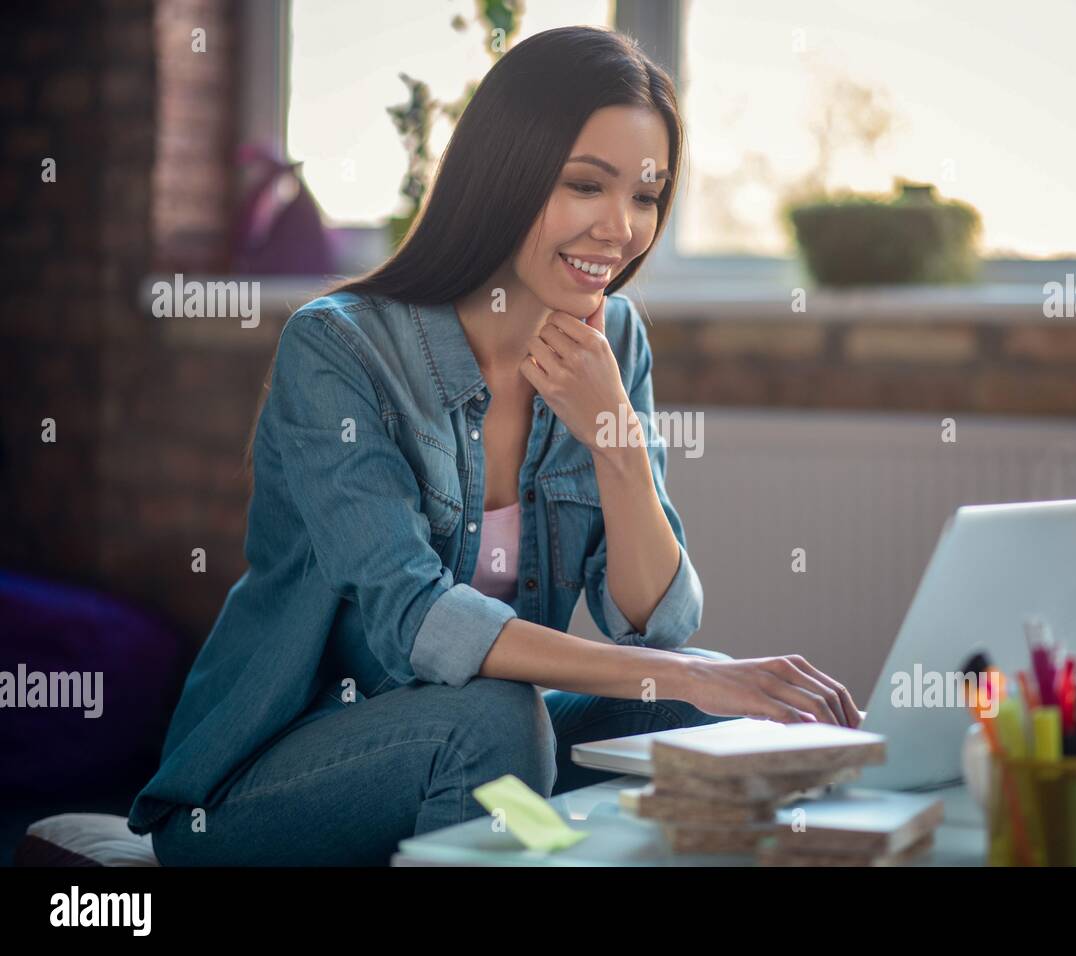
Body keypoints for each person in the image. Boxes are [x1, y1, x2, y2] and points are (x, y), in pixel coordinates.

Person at [131, 25, 859, 866]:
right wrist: (695, 669)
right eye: (586, 185)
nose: (619, 229)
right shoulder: (339, 349)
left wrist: (615, 438)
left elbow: (655, 626)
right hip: (271, 779)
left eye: (647, 195)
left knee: (704, 709)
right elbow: (415, 622)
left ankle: (555, 849)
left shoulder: (613, 339)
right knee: (507, 715)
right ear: (504, 174)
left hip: (489, 741)